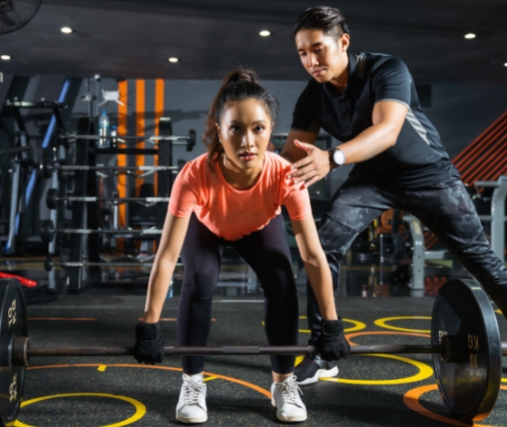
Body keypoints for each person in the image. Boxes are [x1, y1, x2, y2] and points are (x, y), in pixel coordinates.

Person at [279, 6, 507, 388]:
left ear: (343, 42)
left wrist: (332, 158)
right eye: (302, 53)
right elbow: (291, 157)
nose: (311, 61)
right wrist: (242, 165)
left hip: (428, 175)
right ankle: (325, 347)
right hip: (372, 179)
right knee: (321, 245)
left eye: (318, 49)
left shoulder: (386, 69)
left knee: (480, 260)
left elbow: (388, 131)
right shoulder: (312, 97)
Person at [133, 69, 350, 424]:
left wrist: (331, 323)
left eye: (258, 129)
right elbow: (168, 256)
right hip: (208, 226)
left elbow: (312, 254)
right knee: (199, 278)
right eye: (236, 129)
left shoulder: (286, 176)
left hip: (258, 228)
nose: (248, 141)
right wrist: (149, 325)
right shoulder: (194, 175)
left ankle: (283, 382)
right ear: (220, 131)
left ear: (270, 130)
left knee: (281, 280)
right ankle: (192, 382)